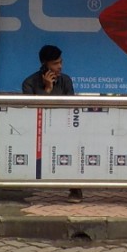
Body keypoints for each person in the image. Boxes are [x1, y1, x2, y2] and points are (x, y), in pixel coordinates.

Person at [21, 45, 81, 201]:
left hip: (63, 127)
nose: (59, 66)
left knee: (74, 147)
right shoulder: (29, 83)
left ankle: (76, 189)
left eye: (61, 62)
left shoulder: (65, 80)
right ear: (44, 64)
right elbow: (31, 109)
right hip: (37, 129)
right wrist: (47, 89)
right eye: (55, 63)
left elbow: (71, 106)